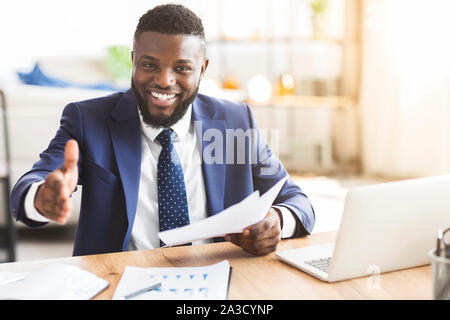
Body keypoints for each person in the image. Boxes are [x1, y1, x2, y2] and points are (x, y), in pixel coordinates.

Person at [10, 4, 315, 256]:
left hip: (220, 277)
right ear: (133, 61)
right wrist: (41, 198)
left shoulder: (234, 121)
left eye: (182, 68)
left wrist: (277, 220)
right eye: (149, 65)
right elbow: (26, 189)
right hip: (120, 278)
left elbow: (298, 202)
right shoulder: (89, 120)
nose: (164, 80)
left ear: (203, 69)